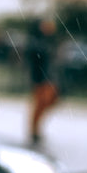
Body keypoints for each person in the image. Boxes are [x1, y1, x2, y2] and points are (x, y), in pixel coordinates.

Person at [27, 17, 60, 145]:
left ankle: (36, 129)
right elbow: (36, 58)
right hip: (41, 78)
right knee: (40, 104)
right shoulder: (37, 42)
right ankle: (34, 130)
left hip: (49, 77)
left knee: (48, 102)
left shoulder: (50, 41)